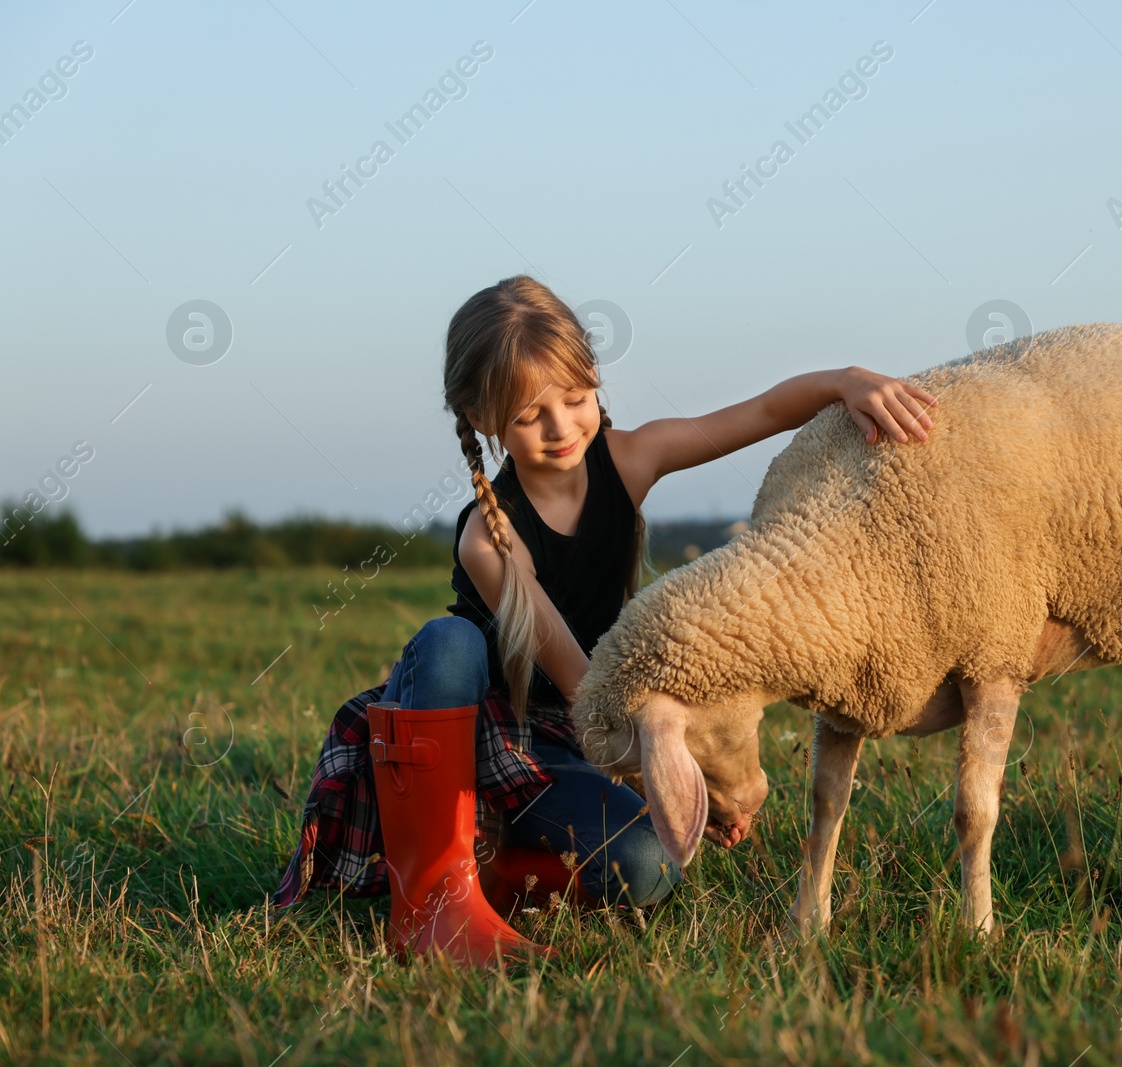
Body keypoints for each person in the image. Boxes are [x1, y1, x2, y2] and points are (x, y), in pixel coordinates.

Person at [273, 274, 937, 933]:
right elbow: (581, 680)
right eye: (530, 415)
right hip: (474, 728)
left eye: (576, 396)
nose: (562, 427)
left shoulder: (630, 460)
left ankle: (498, 866)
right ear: (481, 419)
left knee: (651, 865)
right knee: (452, 643)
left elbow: (758, 414)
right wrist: (672, 773)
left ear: (594, 377)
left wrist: (847, 380)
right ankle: (431, 899)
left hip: (560, 742)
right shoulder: (489, 535)